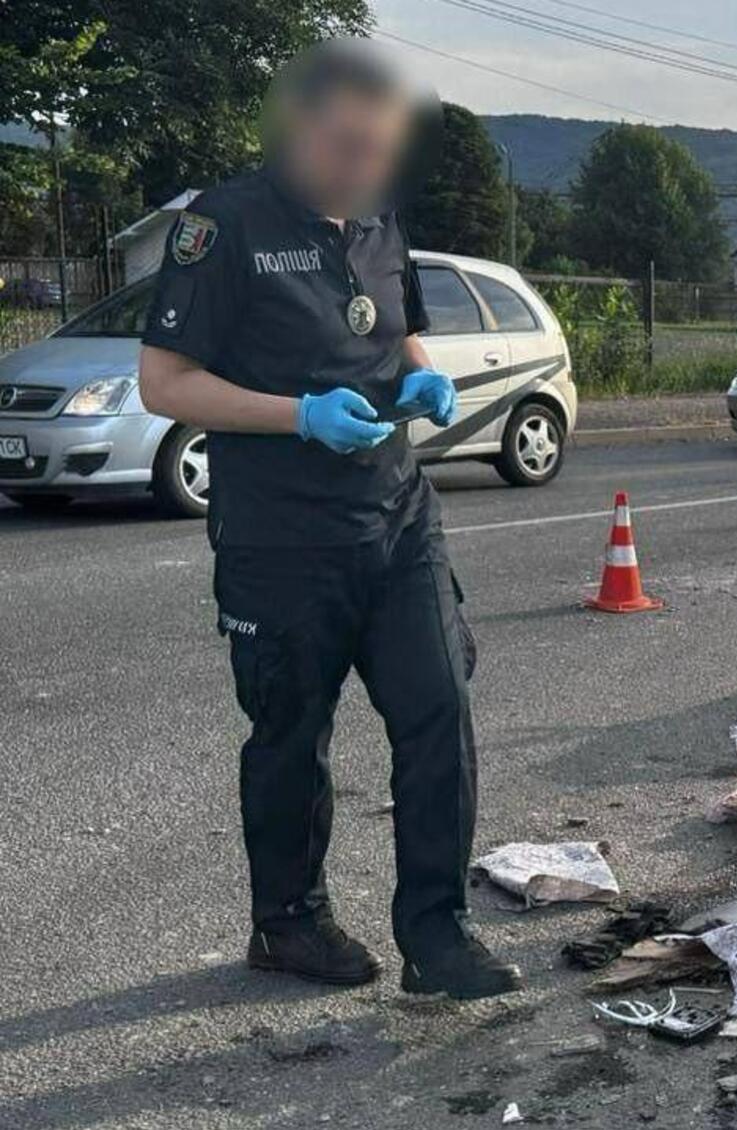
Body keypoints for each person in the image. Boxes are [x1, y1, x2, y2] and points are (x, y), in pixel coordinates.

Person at [136, 41, 522, 1000]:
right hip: (281, 538)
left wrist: (419, 371)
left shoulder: (382, 218)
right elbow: (163, 383)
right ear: (299, 128)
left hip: (398, 519)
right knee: (289, 732)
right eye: (349, 147)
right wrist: (297, 414)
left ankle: (438, 937)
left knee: (439, 710)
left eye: (380, 150)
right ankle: (289, 924)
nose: (365, 167)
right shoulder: (220, 226)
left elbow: (397, 328)